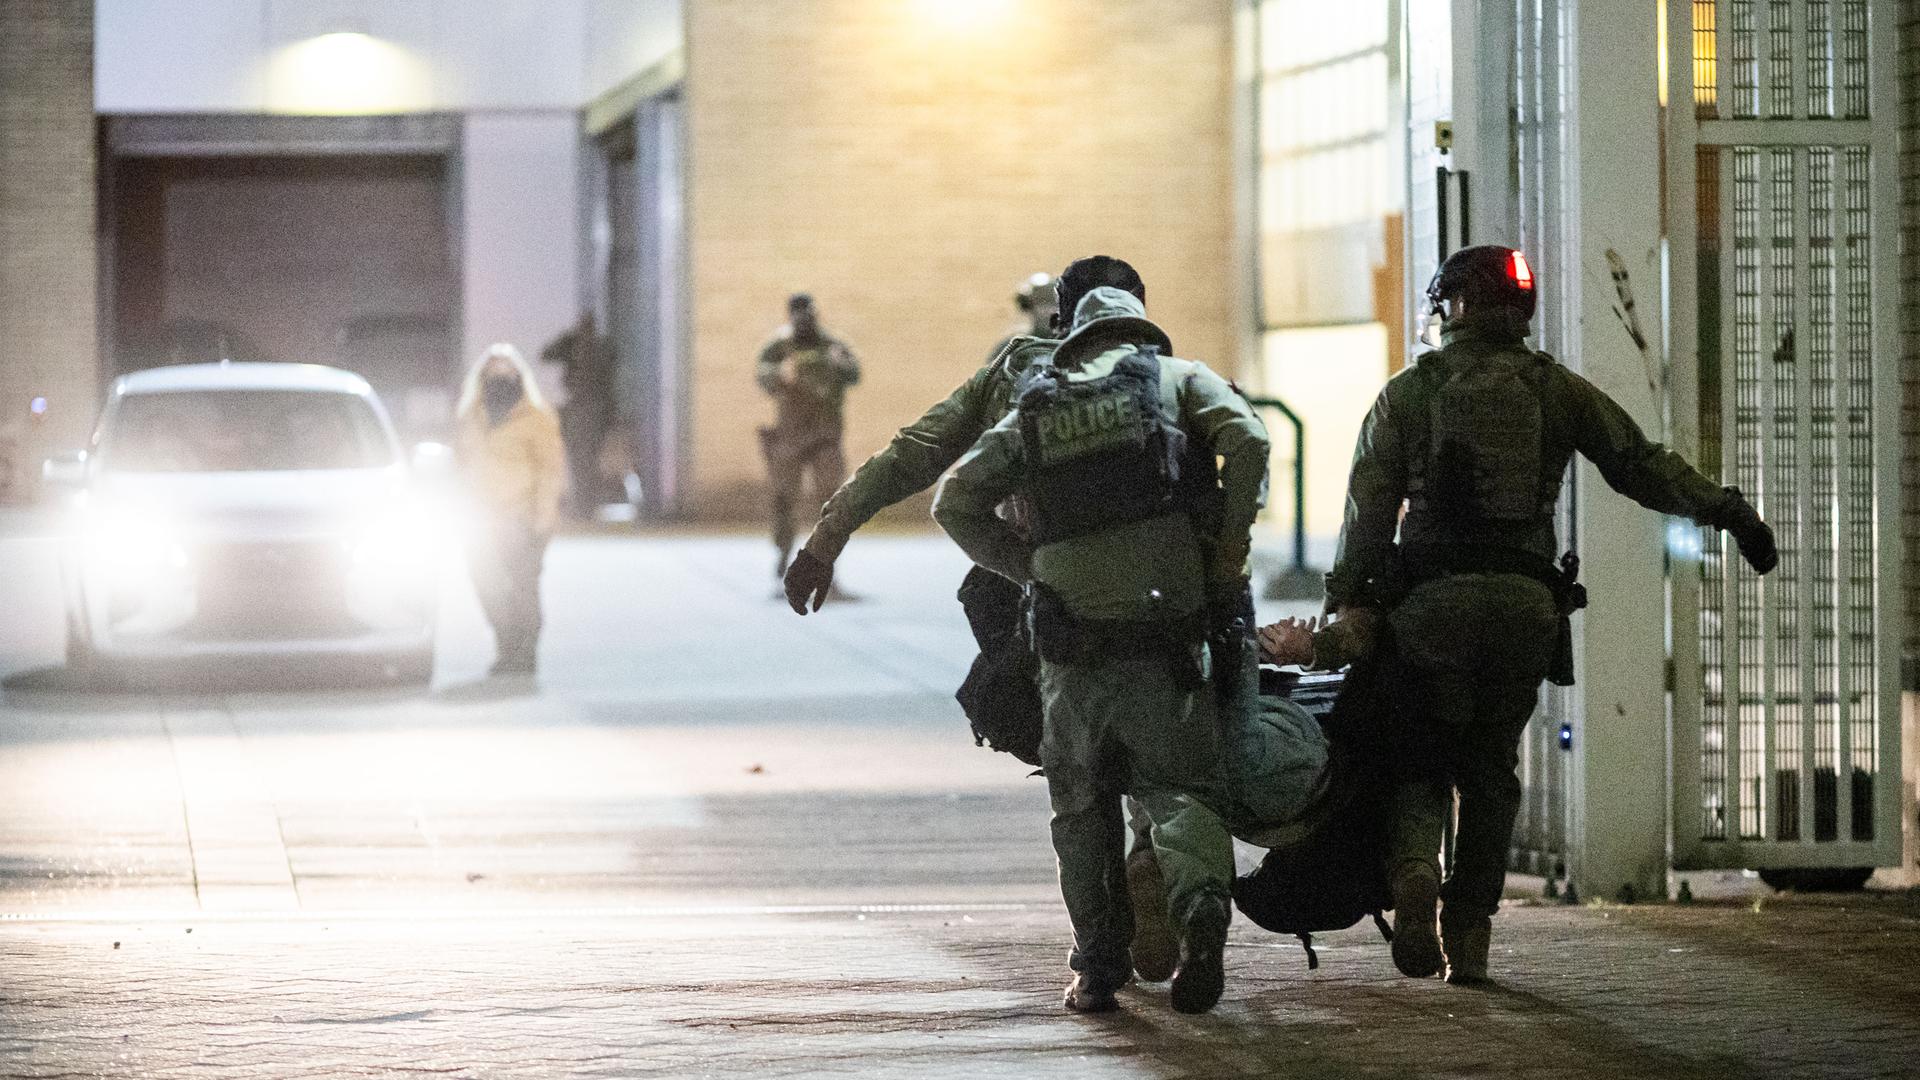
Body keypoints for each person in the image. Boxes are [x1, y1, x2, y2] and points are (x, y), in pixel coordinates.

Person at [1324, 244, 1778, 986]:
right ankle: (1468, 933)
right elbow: (1639, 465)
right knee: (1492, 769)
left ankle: (1414, 871)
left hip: (1428, 608)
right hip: (1524, 608)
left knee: (1420, 756)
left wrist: (1344, 607)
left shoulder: (1408, 394)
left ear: (1457, 306)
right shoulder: (1556, 389)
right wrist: (1726, 510)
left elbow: (1366, 515)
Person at [934, 261, 1270, 1016]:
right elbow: (1248, 440)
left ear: (1077, 335)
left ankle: (1098, 970)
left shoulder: (1038, 403)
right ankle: (1203, 915)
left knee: (1080, 806)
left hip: (1071, 647)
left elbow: (954, 500)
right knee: (1182, 790)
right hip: (1168, 636)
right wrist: (1226, 554)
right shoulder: (1177, 378)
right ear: (1139, 329)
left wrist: (1026, 569)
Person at [455, 343, 566, 675]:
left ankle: (523, 653)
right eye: (492, 372)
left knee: (522, 586)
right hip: (480, 518)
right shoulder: (471, 416)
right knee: (484, 581)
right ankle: (506, 643)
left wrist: (543, 515)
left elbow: (550, 468)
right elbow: (461, 463)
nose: (499, 379)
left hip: (521, 515)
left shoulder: (536, 415)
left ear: (519, 376)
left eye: (507, 372)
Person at [757, 294, 861, 581]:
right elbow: (762, 373)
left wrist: (840, 365)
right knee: (783, 499)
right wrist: (779, 374)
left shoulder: (832, 345)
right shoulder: (780, 345)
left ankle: (825, 560)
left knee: (831, 500)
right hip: (790, 436)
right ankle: (783, 551)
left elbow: (854, 373)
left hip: (825, 437)